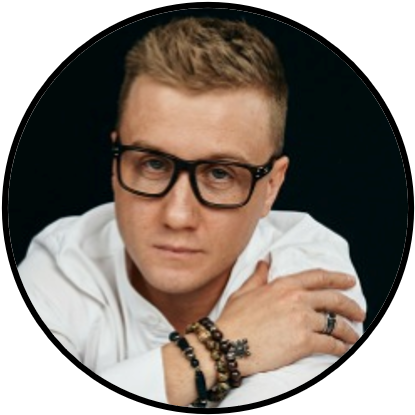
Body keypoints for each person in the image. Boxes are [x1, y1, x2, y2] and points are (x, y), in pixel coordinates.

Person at [18, 17, 366, 407]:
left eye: (220, 174)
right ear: (116, 164)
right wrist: (216, 348)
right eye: (153, 164)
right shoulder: (63, 265)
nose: (177, 216)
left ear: (271, 186)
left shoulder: (307, 276)